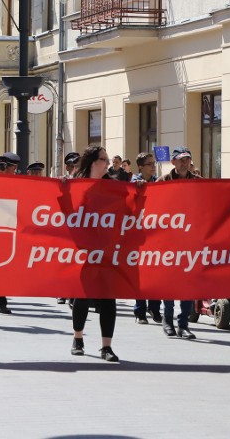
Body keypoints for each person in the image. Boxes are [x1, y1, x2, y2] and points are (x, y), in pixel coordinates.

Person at [70, 145, 120, 362]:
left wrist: (139, 191)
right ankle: (78, 338)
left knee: (109, 297)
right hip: (83, 249)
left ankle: (106, 347)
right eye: (104, 159)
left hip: (107, 248)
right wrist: (62, 188)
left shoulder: (114, 187)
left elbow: (128, 207)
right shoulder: (76, 184)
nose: (108, 163)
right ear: (93, 161)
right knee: (82, 295)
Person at [156, 147, 199, 340]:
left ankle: (184, 324)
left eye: (187, 160)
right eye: (181, 160)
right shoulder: (162, 182)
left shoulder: (199, 183)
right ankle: (168, 321)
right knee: (169, 284)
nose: (184, 163)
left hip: (190, 242)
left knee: (188, 285)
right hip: (168, 242)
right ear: (173, 162)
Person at [130, 151, 161, 323]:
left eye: (153, 163)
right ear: (141, 167)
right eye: (149, 164)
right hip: (139, 234)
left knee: (155, 271)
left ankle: (155, 308)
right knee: (140, 273)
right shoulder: (134, 183)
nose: (153, 166)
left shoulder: (158, 183)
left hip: (155, 233)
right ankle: (140, 311)